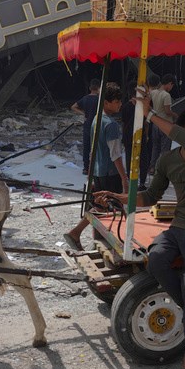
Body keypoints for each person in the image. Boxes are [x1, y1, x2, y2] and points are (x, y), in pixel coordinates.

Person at [95, 104, 185, 369]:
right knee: (156, 260)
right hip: (179, 229)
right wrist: (118, 196)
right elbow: (151, 196)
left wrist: (151, 115)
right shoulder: (169, 161)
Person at [63, 84, 127, 251]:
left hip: (99, 171)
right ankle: (106, 242)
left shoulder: (96, 120)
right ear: (106, 102)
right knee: (112, 208)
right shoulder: (111, 125)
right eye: (116, 101)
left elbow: (92, 150)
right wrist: (124, 177)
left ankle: (92, 239)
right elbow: (115, 155)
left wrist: (91, 175)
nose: (120, 104)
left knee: (99, 206)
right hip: (110, 173)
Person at [70, 79, 100, 175]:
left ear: (90, 88)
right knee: (97, 146)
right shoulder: (100, 100)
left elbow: (73, 106)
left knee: (86, 147)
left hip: (87, 125)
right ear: (99, 88)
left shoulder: (85, 98)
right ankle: (96, 167)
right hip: (97, 125)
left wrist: (83, 113)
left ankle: (86, 168)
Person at [149, 74, 177, 173]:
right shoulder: (166, 95)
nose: (171, 88)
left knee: (155, 147)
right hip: (165, 125)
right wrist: (175, 115)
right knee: (165, 149)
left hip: (155, 123)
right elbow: (167, 111)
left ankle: (152, 167)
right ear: (169, 83)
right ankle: (163, 170)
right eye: (172, 86)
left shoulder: (153, 92)